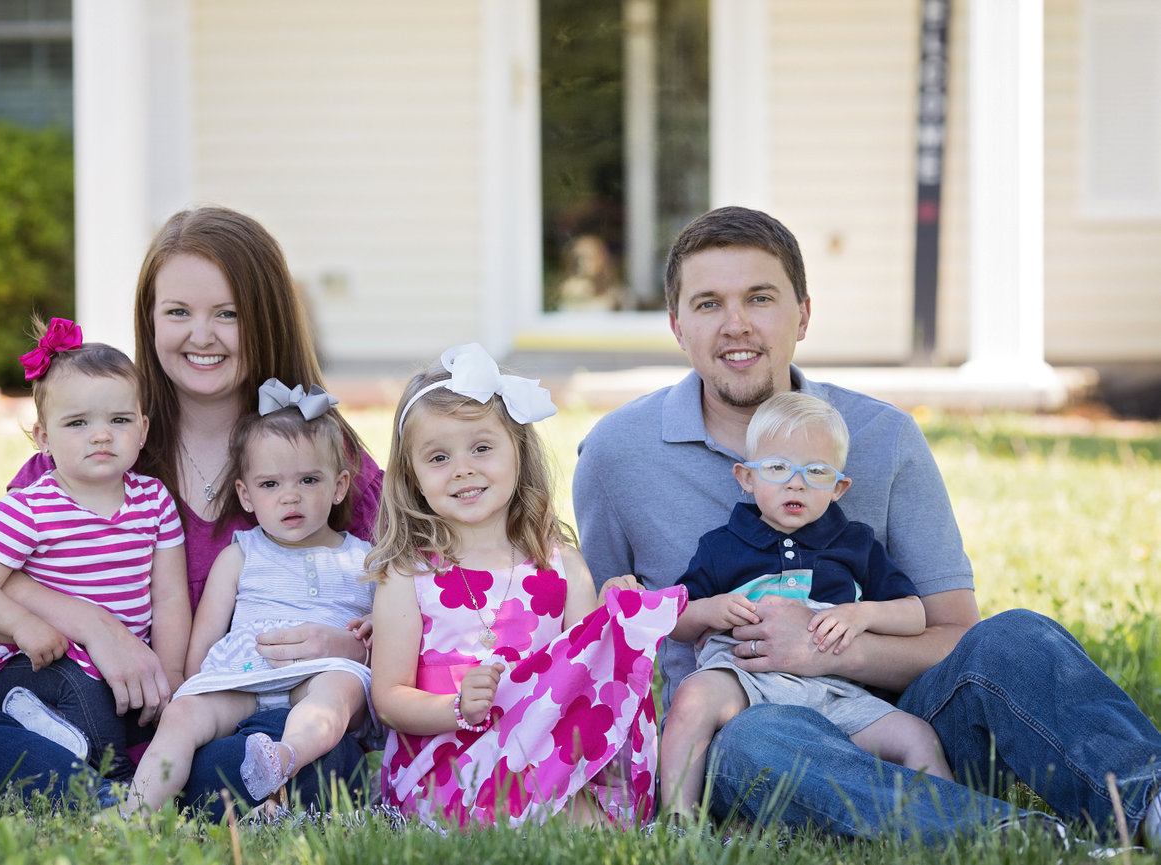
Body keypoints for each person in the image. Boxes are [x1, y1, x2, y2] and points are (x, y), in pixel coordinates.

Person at [573, 205, 1161, 847]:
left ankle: (1148, 801)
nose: (736, 324)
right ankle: (1017, 838)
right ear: (676, 325)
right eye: (709, 303)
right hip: (743, 725)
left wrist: (832, 649)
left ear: (802, 313)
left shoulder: (882, 436)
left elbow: (955, 633)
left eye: (760, 298)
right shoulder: (616, 453)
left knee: (1016, 638)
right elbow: (606, 641)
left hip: (893, 714)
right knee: (759, 742)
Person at [0, 205, 385, 818]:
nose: (201, 336)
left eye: (228, 313)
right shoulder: (97, 442)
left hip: (235, 724)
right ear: (149, 320)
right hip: (79, 725)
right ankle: (119, 798)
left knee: (316, 754)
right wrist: (96, 627)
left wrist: (352, 648)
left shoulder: (315, 451)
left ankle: (152, 801)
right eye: (177, 312)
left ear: (266, 319)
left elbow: (420, 604)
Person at [367, 343, 685, 828]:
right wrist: (456, 708)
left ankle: (576, 818)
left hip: (546, 754)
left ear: (518, 450)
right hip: (445, 759)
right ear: (412, 477)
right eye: (438, 457)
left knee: (573, 810)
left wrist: (610, 619)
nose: (463, 468)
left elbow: (586, 679)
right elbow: (389, 698)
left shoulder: (558, 565)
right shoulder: (407, 575)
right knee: (540, 813)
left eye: (481, 447)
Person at [659, 391, 951, 819]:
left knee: (918, 736)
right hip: (744, 677)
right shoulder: (722, 546)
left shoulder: (855, 543)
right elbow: (675, 619)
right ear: (746, 477)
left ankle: (943, 818)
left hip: (837, 688)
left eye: (816, 472)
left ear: (838, 488)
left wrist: (863, 613)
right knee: (692, 699)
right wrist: (711, 609)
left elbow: (915, 614)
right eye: (777, 468)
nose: (796, 483)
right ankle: (676, 819)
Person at [0, 316, 190, 783]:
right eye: (78, 423)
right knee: (89, 704)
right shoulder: (33, 506)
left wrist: (172, 674)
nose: (101, 435)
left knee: (118, 713)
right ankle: (107, 783)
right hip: (39, 663)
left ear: (142, 430)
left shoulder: (154, 500)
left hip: (120, 668)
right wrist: (24, 625)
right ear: (44, 439)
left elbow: (170, 597)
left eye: (118, 421)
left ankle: (54, 753)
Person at [125, 380, 375, 814]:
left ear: (339, 486)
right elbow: (202, 643)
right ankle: (136, 811)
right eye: (270, 484)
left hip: (323, 672)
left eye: (309, 479)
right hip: (242, 673)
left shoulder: (366, 560)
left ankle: (285, 757)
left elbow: (389, 632)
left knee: (335, 693)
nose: (290, 495)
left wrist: (368, 642)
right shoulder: (241, 554)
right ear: (246, 494)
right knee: (182, 716)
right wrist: (192, 692)